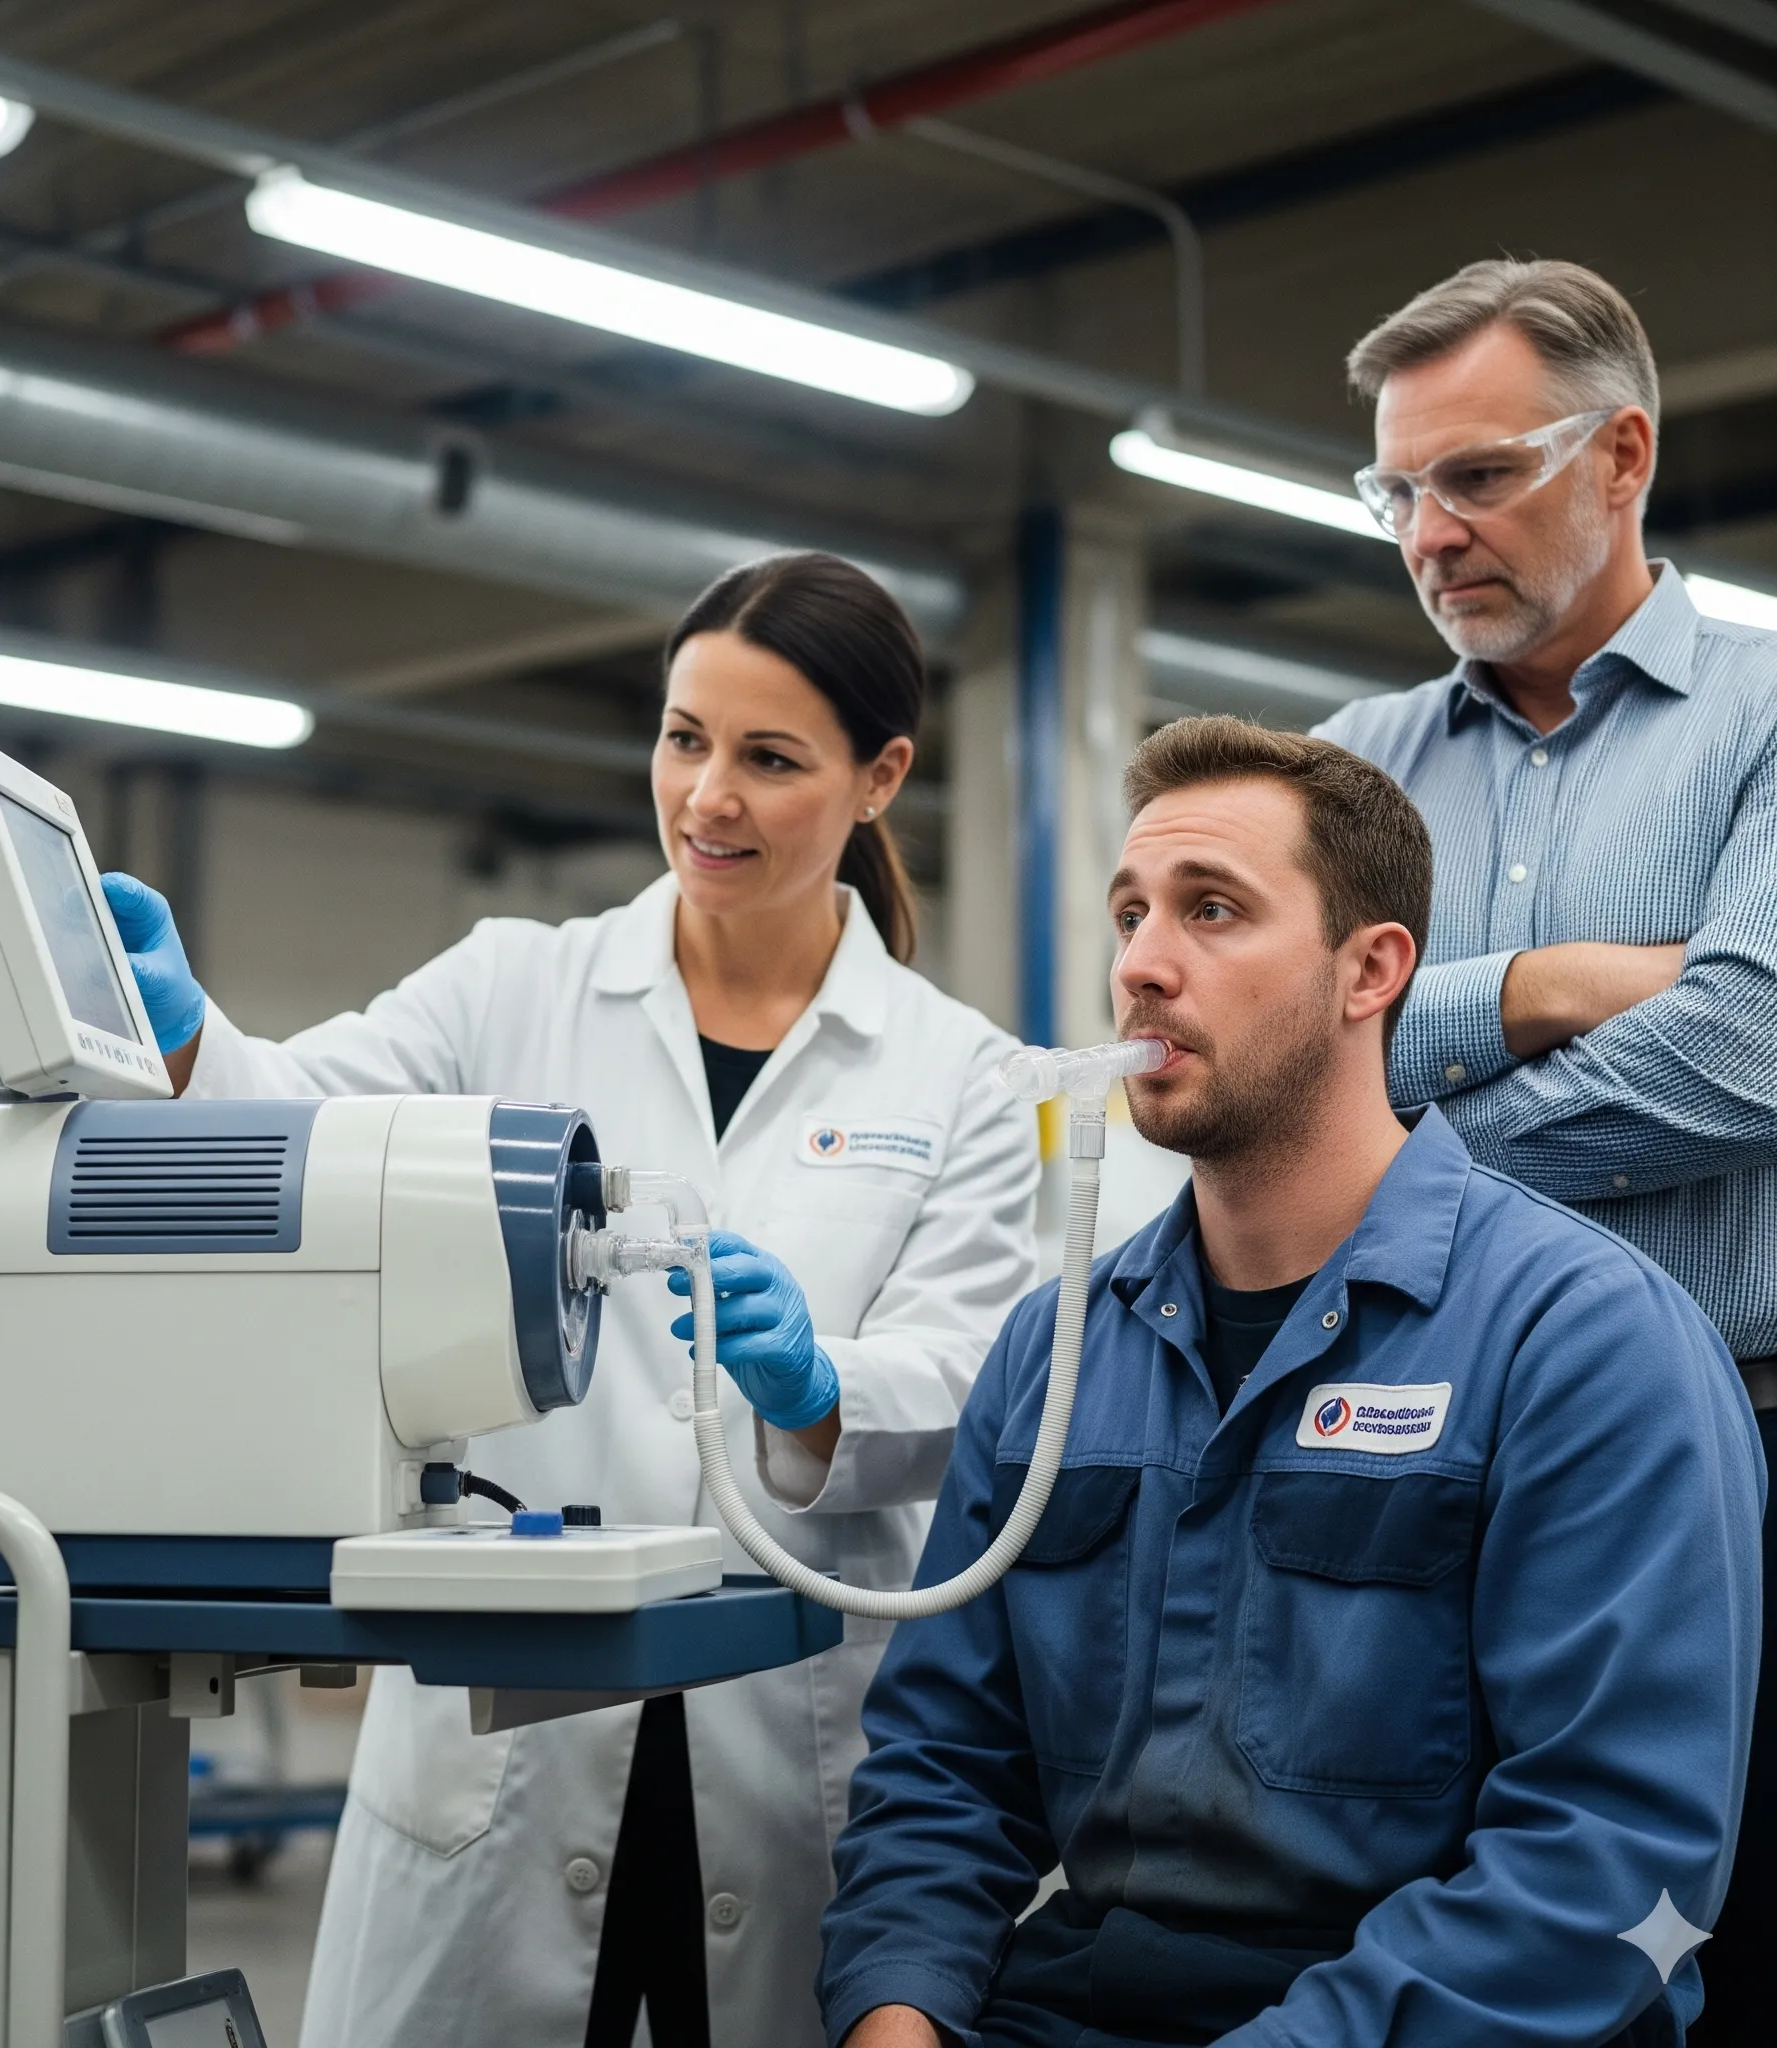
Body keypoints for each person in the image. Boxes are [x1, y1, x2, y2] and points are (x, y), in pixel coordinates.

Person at [100, 552, 1039, 2048]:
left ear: (882, 778)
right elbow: (300, 1128)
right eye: (684, 738)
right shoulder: (510, 989)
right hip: (508, 1740)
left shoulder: (961, 1074)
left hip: (785, 1736)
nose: (706, 797)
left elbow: (976, 1369)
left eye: (769, 758)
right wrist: (188, 1036)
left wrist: (818, 1387)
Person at [819, 717, 1763, 2048]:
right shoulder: (1054, 1352)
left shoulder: (1588, 1347)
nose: (1142, 967)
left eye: (1213, 912)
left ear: (1369, 970)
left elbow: (1610, 1861)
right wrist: (895, 2019)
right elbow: (943, 1772)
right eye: (1131, 913)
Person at [1314, 259, 1777, 2044]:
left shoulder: (1763, 717)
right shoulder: (1343, 773)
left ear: (1623, 456)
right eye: (1398, 491)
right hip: (1397, 1471)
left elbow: (1749, 1042)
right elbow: (1268, 1061)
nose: (1430, 533)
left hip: (1743, 1447)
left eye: (1478, 475)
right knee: (1433, 1947)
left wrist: (1411, 1134)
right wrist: (1554, 987)